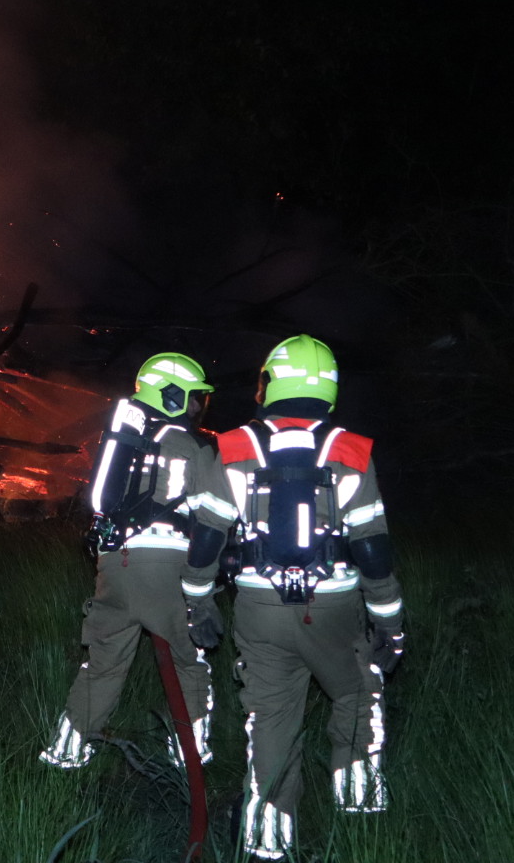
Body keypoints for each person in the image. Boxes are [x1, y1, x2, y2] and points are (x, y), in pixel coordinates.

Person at [182, 334, 405, 860]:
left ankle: (266, 842)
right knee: (355, 697)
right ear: (330, 387)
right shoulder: (352, 451)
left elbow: (207, 539)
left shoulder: (233, 447)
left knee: (270, 720)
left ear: (267, 384)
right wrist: (390, 627)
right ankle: (359, 825)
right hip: (335, 611)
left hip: (259, 611)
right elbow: (373, 551)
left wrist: (198, 602)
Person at [41, 352, 233, 772]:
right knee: (189, 659)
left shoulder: (124, 443)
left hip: (113, 566)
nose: (199, 407)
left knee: (103, 665)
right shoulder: (196, 447)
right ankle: (188, 756)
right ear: (174, 396)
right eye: (195, 398)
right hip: (167, 569)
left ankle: (66, 753)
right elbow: (215, 517)